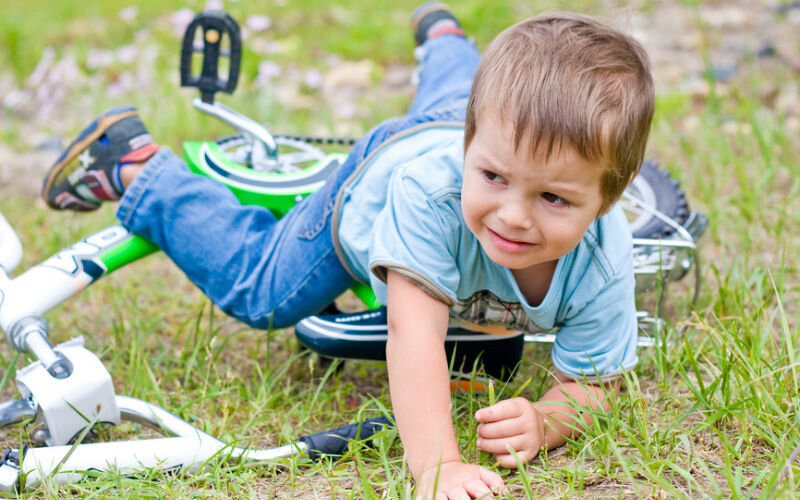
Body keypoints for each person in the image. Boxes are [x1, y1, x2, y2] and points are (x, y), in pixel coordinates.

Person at [41, 3, 654, 499]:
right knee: (261, 289)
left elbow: (594, 385)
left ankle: (443, 37)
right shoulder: (428, 198)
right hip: (374, 184)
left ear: (608, 197)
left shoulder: (600, 255)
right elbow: (414, 342)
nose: (513, 216)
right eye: (492, 178)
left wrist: (547, 421)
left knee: (453, 98)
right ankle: (140, 166)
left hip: (453, 125)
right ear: (472, 151)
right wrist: (437, 467)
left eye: (552, 197)